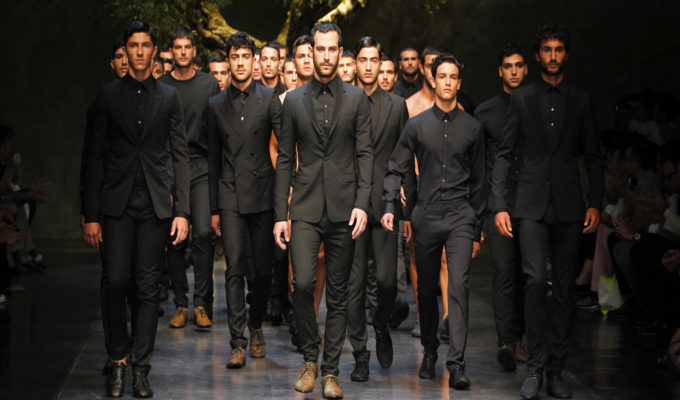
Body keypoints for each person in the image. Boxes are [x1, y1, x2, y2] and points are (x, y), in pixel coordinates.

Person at [491, 23, 603, 400]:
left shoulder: (581, 99)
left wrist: (595, 202)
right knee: (536, 280)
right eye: (547, 50)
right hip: (529, 203)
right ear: (538, 56)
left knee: (565, 290)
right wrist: (500, 205)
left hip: (570, 205)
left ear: (565, 54)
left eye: (558, 49)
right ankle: (536, 367)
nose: (553, 56)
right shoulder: (522, 98)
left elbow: (594, 155)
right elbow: (504, 154)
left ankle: (556, 370)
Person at [82, 20, 190, 398]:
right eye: (133, 46)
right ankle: (117, 359)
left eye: (145, 45)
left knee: (147, 288)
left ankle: (141, 368)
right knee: (115, 282)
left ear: (154, 51)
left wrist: (182, 210)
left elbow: (181, 155)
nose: (140, 52)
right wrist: (90, 213)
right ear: (125, 52)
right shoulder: (108, 96)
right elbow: (93, 157)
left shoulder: (169, 97)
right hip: (116, 204)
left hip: (155, 205)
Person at [273, 21, 372, 399]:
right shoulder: (294, 100)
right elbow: (285, 159)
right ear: (311, 51)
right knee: (301, 284)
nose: (326, 56)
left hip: (345, 207)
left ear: (340, 51)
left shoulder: (357, 99)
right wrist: (280, 215)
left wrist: (362, 203)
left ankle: (330, 372)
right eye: (321, 49)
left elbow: (365, 155)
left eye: (333, 49)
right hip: (305, 205)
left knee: (339, 294)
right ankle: (309, 359)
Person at [382, 53, 484, 390]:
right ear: (433, 79)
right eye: (442, 76)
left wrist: (477, 227)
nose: (447, 82)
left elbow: (480, 181)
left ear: (459, 82)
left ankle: (457, 363)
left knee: (458, 286)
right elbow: (396, 166)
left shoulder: (472, 128)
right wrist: (391, 204)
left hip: (460, 216)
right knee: (425, 290)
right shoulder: (416, 124)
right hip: (425, 213)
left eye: (453, 77)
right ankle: (429, 350)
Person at [207, 31, 282, 368]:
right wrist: (213, 208)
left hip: (263, 192)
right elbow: (212, 159)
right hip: (230, 192)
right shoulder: (215, 105)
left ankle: (255, 324)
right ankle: (237, 342)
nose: (239, 63)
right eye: (234, 57)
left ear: (255, 61)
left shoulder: (269, 99)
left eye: (245, 57)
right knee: (234, 267)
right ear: (229, 61)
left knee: (263, 272)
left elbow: (283, 148)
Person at [346, 36, 410, 383]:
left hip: (386, 205)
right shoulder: (344, 101)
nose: (369, 66)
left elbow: (402, 157)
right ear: (355, 63)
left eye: (374, 60)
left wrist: (404, 203)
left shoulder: (397, 106)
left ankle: (382, 324)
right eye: (363, 59)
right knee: (354, 286)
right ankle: (360, 354)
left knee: (387, 281)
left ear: (380, 62)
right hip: (351, 207)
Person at [159, 26, 220, 329]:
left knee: (204, 235)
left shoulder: (209, 84)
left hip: (201, 166)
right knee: (174, 238)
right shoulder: (161, 86)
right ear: (171, 51)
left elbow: (216, 130)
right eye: (178, 47)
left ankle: (201, 304)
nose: (183, 52)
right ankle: (181, 304)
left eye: (187, 47)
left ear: (194, 51)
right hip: (170, 167)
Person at [473, 41, 529, 371]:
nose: (514, 71)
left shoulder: (538, 107)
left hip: (532, 202)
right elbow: (479, 166)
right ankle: (506, 341)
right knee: (503, 272)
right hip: (498, 204)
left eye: (519, 65)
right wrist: (480, 214)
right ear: (500, 71)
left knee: (529, 275)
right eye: (508, 66)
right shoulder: (486, 112)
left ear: (526, 69)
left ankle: (521, 336)